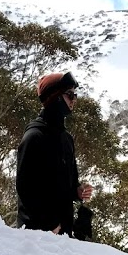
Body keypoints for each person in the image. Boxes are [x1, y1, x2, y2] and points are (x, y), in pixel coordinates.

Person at [16, 72, 94, 237]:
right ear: (54, 97)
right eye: (69, 95)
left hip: (62, 234)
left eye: (75, 95)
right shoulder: (34, 136)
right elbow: (25, 187)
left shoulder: (66, 139)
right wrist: (49, 224)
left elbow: (70, 182)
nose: (74, 100)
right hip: (35, 235)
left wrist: (78, 192)